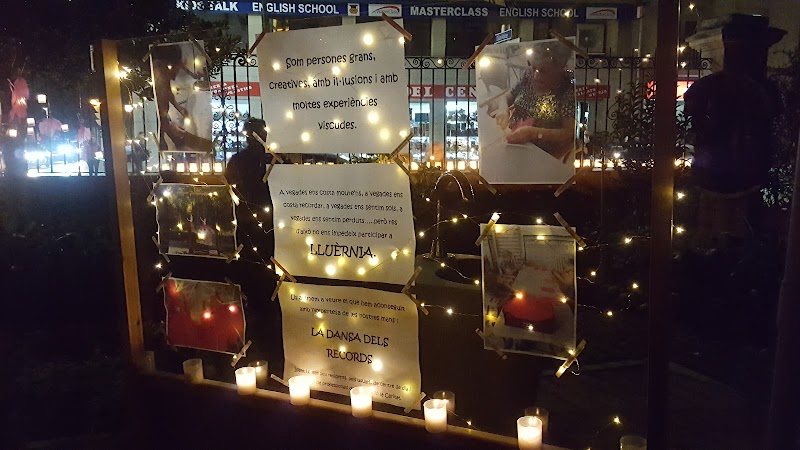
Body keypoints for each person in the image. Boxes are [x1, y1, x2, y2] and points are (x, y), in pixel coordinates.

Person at [493, 44, 576, 161]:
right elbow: (507, 97)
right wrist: (503, 109)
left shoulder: (568, 89)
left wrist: (534, 133)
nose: (536, 75)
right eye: (534, 68)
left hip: (543, 155)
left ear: (560, 69)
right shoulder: (529, 75)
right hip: (514, 143)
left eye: (543, 70)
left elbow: (569, 133)